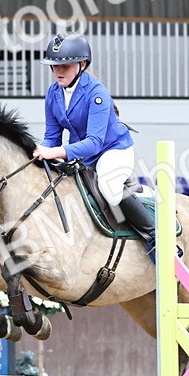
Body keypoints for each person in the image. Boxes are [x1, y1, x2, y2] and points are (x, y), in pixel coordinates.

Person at [31, 32, 159, 259]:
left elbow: (94, 143)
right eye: (54, 66)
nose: (58, 71)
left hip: (112, 150)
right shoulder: (53, 94)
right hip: (82, 154)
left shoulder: (97, 92)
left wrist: (56, 152)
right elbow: (52, 137)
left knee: (109, 186)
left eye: (65, 66)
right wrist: (39, 152)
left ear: (82, 64)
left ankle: (155, 237)